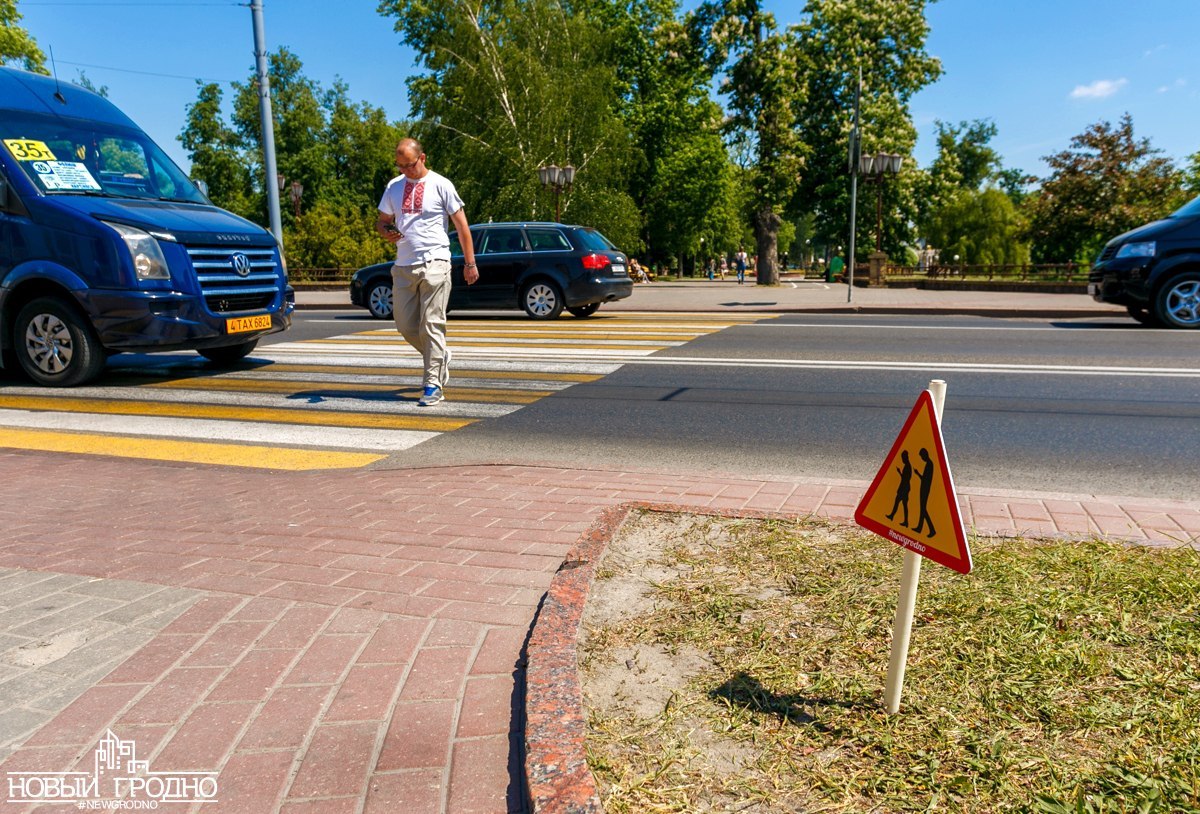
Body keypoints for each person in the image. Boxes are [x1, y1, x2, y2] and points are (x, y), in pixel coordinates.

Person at [376, 138, 477, 407]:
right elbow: (382, 221)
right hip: (404, 265)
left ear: (422, 158)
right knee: (406, 326)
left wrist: (470, 263)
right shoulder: (393, 188)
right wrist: (386, 231)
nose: (404, 171)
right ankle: (440, 356)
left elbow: (462, 226)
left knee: (431, 325)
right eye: (399, 166)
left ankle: (432, 384)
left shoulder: (441, 184)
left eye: (408, 165)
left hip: (436, 261)